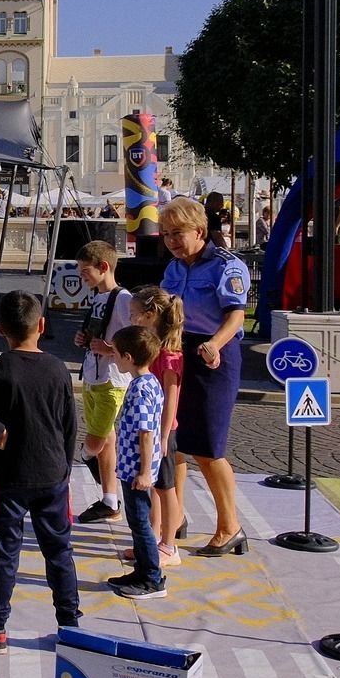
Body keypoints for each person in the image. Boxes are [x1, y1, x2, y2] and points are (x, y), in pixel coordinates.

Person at [0, 291, 80, 653]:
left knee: (4, 552)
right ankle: (71, 628)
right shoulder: (59, 368)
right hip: (52, 473)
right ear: (41, 326)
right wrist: (65, 468)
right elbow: (70, 425)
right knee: (59, 551)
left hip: (9, 477)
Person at [159, 197, 249, 556]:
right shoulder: (174, 268)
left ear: (199, 230)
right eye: (165, 235)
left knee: (209, 449)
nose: (171, 241)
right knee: (174, 442)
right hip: (179, 352)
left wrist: (214, 345)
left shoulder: (227, 266)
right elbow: (165, 309)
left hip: (215, 356)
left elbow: (236, 317)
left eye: (177, 234)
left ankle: (231, 527)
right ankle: (174, 518)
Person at [73, 241, 132, 524]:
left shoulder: (123, 299)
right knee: (106, 439)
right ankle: (110, 499)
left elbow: (137, 339)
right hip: (93, 375)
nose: (82, 278)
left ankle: (84, 457)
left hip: (112, 379)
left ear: (103, 267)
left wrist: (110, 349)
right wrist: (83, 339)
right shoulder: (97, 297)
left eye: (86, 272)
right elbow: (96, 331)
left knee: (95, 441)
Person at [127, 287, 186, 568]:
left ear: (149, 315)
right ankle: (151, 541)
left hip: (163, 429)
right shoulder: (155, 348)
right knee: (156, 487)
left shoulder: (169, 354)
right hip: (153, 427)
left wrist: (163, 437)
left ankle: (169, 545)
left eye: (133, 315)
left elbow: (171, 398)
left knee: (165, 488)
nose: (131, 319)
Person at [106, 326, 166, 600]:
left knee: (140, 523)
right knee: (137, 521)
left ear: (128, 357)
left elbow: (145, 432)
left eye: (117, 354)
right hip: (135, 467)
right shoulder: (150, 382)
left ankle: (152, 578)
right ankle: (142, 570)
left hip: (136, 470)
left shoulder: (141, 388)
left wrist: (143, 472)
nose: (115, 359)